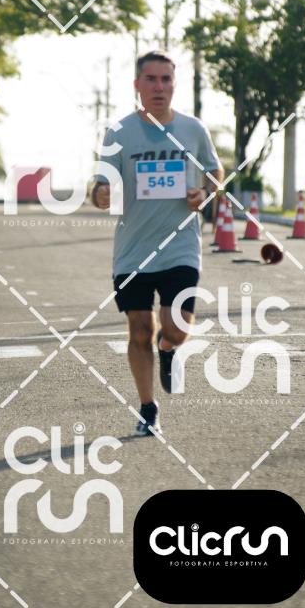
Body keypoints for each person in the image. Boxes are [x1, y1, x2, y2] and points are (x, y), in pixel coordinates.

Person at [91, 50, 223, 436]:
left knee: (176, 328)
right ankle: (148, 408)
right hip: (132, 251)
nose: (159, 87)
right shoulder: (119, 133)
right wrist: (100, 194)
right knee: (139, 331)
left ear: (174, 84)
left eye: (166, 79)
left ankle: (169, 350)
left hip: (180, 247)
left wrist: (206, 193)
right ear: (137, 85)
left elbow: (214, 171)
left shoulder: (193, 129)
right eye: (151, 79)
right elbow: (99, 184)